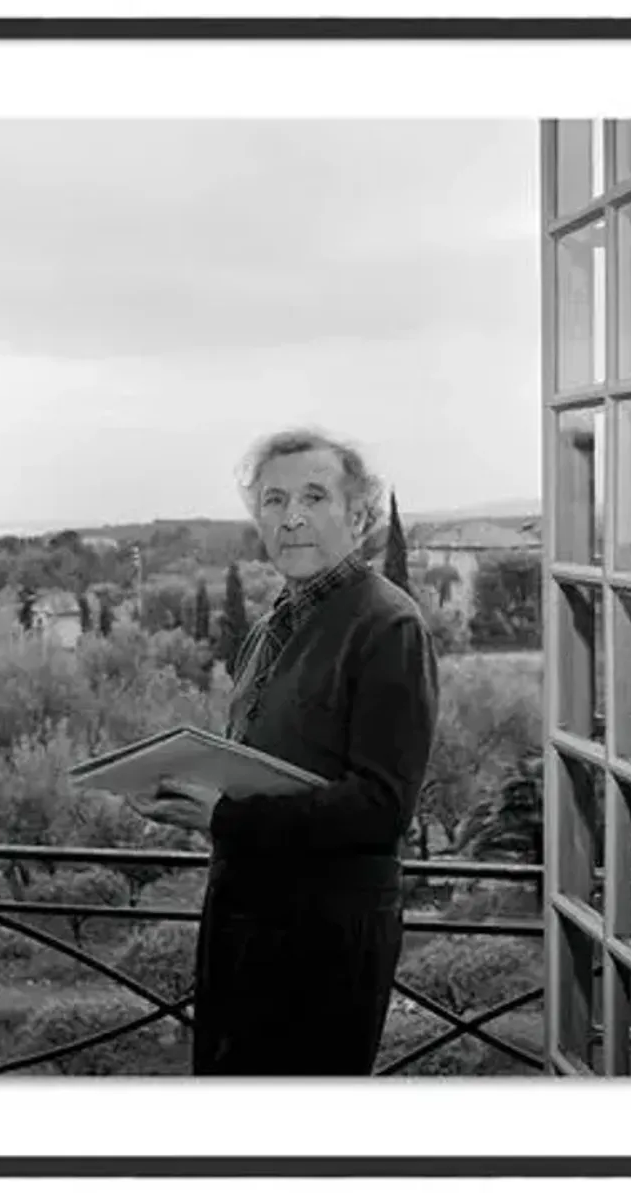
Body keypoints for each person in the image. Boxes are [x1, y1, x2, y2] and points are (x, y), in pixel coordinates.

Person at [136, 428, 439, 1076]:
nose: (291, 517)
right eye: (273, 500)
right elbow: (264, 755)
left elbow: (381, 806)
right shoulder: (278, 618)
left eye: (314, 496)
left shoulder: (389, 626)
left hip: (325, 939)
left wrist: (224, 816)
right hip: (243, 921)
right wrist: (183, 786)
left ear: (358, 515)